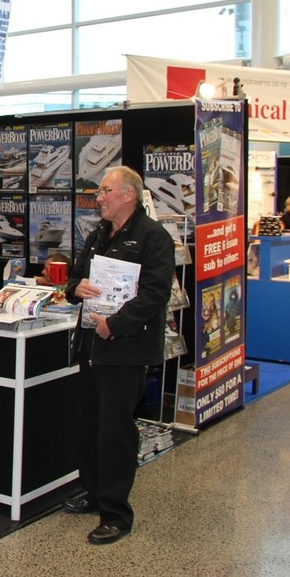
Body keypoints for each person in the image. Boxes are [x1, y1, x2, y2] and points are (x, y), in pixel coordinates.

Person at [61, 166, 174, 545]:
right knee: (87, 426)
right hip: (90, 347)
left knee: (114, 433)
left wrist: (116, 325)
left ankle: (115, 512)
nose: (99, 197)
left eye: (106, 190)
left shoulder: (153, 237)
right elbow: (72, 280)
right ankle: (93, 492)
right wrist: (78, 288)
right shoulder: (97, 235)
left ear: (128, 194)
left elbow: (156, 294)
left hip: (124, 350)